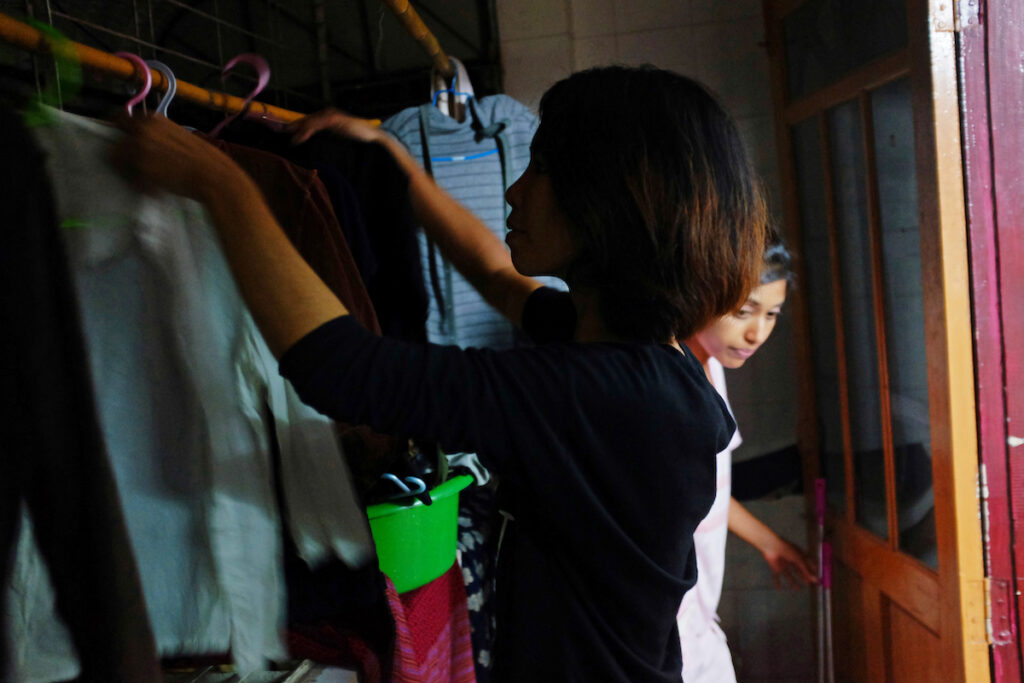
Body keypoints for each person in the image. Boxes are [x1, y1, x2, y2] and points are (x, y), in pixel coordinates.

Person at [111, 65, 768, 682]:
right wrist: (394, 163)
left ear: (605, 206)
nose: (515, 190)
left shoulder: (601, 394)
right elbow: (496, 275)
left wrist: (221, 185)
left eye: (540, 169)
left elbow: (341, 369)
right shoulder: (647, 363)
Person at [679, 241, 817, 682]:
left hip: (697, 617)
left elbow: (713, 493)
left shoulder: (712, 366)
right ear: (699, 293)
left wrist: (769, 543)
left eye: (771, 314)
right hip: (666, 624)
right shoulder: (669, 385)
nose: (758, 333)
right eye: (744, 311)